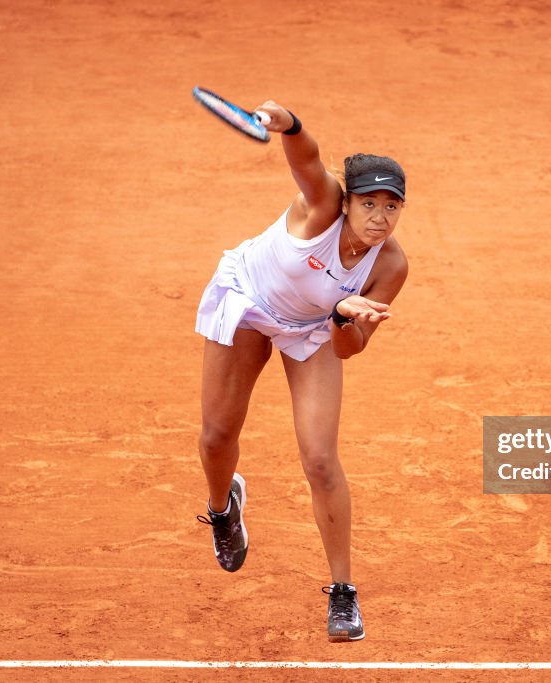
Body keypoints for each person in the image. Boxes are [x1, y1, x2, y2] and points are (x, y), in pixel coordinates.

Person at [193, 100, 408, 643]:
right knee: (217, 435)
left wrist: (341, 315)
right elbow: (307, 159)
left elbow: (350, 349)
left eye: (392, 206)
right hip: (249, 301)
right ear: (348, 201)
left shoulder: (389, 266)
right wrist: (288, 123)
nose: (380, 216)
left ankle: (343, 593)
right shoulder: (321, 206)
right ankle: (224, 508)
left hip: (312, 327)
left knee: (319, 457)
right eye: (369, 203)